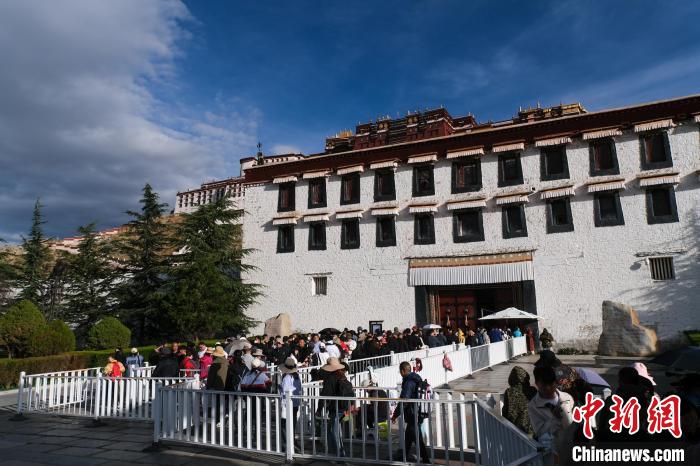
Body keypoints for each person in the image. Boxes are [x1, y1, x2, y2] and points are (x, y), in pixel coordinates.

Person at [527, 366, 575, 465]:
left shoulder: (567, 398)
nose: (548, 388)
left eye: (551, 384)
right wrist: (554, 418)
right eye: (544, 385)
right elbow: (540, 431)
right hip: (550, 455)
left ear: (555, 382)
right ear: (537, 383)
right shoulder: (533, 406)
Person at [392, 361, 429, 464]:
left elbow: (404, 400)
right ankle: (404, 456)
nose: (400, 373)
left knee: (417, 438)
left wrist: (395, 414)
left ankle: (426, 460)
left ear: (403, 371)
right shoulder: (416, 379)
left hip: (413, 413)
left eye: (400, 371)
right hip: (417, 412)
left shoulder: (408, 382)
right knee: (409, 436)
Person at [318, 357, 354, 458]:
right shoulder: (342, 375)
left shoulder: (331, 378)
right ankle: (335, 452)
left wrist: (319, 409)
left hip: (336, 408)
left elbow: (324, 395)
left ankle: (339, 454)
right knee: (335, 430)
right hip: (344, 407)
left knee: (333, 431)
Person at [502, 366, 537, 435]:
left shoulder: (509, 392)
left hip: (514, 429)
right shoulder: (533, 390)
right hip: (532, 429)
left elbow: (505, 411)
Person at [278, 357, 302, 450]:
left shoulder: (287, 377)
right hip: (295, 403)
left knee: (284, 425)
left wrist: (280, 388)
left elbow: (285, 391)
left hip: (287, 404)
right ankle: (292, 443)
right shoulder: (296, 377)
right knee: (292, 424)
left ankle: (286, 445)